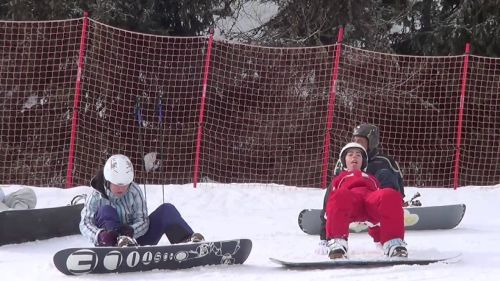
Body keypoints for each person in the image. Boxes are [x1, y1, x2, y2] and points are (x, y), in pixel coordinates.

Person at [80, 154, 204, 247]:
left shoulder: (134, 191)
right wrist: (100, 235)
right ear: (108, 181)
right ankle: (118, 243)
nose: (121, 188)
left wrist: (132, 231)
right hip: (110, 243)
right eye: (117, 184)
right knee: (105, 210)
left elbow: (143, 221)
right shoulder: (96, 196)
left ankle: (188, 243)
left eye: (125, 184)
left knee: (167, 210)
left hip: (136, 240)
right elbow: (85, 223)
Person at [316, 123, 405, 253]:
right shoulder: (340, 177)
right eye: (350, 154)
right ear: (343, 160)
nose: (354, 157)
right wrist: (323, 238)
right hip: (351, 204)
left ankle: (393, 243)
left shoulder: (374, 173)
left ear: (364, 161)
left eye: (358, 155)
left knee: (388, 194)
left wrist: (394, 201)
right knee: (340, 195)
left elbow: (382, 196)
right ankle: (338, 243)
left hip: (370, 202)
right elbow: (329, 202)